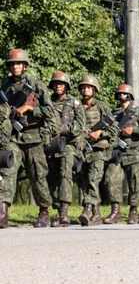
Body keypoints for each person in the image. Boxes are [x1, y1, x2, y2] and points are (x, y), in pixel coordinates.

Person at [0, 49, 58, 228]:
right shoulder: (5, 87)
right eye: (12, 64)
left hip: (34, 137)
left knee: (38, 175)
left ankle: (44, 212)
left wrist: (30, 109)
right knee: (7, 172)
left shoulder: (36, 85)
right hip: (13, 137)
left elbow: (51, 112)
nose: (15, 67)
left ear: (25, 66)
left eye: (18, 63)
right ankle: (3, 211)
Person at [103, 84, 139, 224]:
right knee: (111, 179)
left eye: (124, 93)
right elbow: (109, 129)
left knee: (135, 183)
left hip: (133, 152)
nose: (121, 95)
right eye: (120, 93)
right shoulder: (114, 113)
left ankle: (133, 212)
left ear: (129, 95)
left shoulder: (138, 112)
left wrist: (133, 130)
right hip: (117, 152)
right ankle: (115, 211)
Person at [77, 75, 117, 226]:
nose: (86, 89)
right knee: (84, 182)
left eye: (89, 87)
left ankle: (86, 210)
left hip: (98, 151)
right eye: (83, 87)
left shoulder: (102, 107)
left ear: (95, 90)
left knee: (94, 180)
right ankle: (97, 214)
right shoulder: (76, 106)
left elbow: (114, 127)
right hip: (81, 150)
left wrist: (101, 133)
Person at [46, 71, 84, 227]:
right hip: (50, 145)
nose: (58, 86)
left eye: (61, 84)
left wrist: (61, 130)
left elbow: (80, 126)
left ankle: (64, 213)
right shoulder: (48, 102)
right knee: (50, 179)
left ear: (67, 86)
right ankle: (54, 208)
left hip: (68, 145)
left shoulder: (75, 103)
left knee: (65, 176)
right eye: (55, 83)